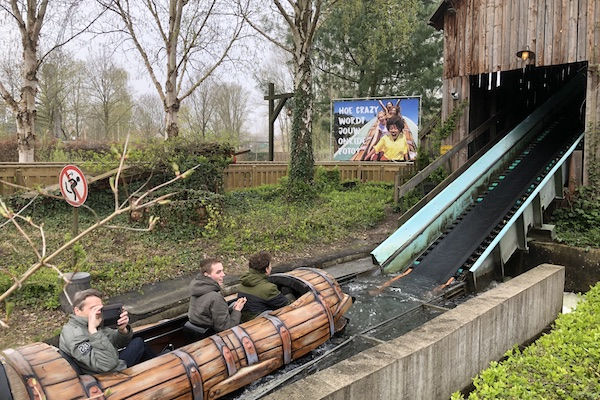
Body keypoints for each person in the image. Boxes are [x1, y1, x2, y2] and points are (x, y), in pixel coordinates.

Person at [59, 289, 153, 374]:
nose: (98, 312)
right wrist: (93, 331)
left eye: (100, 309)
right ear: (77, 311)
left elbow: (116, 343)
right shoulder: (75, 334)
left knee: (138, 342)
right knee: (139, 344)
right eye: (93, 308)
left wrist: (122, 330)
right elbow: (107, 365)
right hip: (106, 376)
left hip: (111, 361)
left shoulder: (91, 322)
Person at [188, 258, 247, 333]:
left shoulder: (197, 289)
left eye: (222, 271)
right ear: (206, 274)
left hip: (198, 330)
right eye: (218, 272)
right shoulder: (215, 298)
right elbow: (226, 328)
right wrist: (237, 310)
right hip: (212, 335)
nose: (223, 274)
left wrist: (233, 308)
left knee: (232, 305)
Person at [238, 251, 290, 322]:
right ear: (267, 269)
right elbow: (286, 306)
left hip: (245, 320)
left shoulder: (243, 281)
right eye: (270, 266)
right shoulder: (269, 289)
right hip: (261, 324)